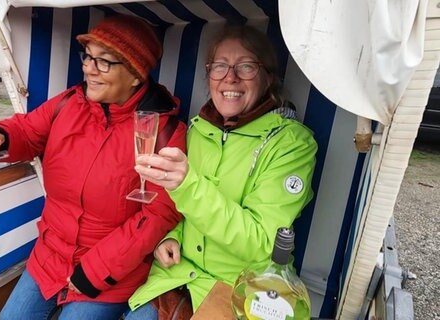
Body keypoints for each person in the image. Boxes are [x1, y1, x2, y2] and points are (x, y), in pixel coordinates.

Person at [0, 14, 187, 320]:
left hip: (110, 273)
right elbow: (26, 131)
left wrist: (93, 272)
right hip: (49, 257)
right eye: (88, 57)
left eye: (104, 61)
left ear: (135, 74)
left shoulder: (167, 131)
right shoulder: (68, 103)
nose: (89, 68)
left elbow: (160, 213)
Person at [126, 24, 318, 319]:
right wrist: (172, 236)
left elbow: (261, 245)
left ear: (267, 77)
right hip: (176, 275)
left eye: (246, 66)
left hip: (240, 288)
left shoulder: (292, 145)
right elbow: (180, 208)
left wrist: (187, 184)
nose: (230, 77)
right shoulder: (198, 129)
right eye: (220, 66)